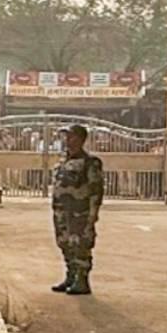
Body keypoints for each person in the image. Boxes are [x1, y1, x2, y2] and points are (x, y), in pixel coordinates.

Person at [51, 124, 104, 295]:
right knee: (64, 242)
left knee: (80, 244)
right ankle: (71, 275)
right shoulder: (63, 161)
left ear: (81, 139)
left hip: (80, 212)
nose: (67, 140)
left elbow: (96, 189)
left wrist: (93, 213)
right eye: (66, 137)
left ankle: (82, 280)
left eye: (71, 137)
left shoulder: (90, 163)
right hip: (62, 211)